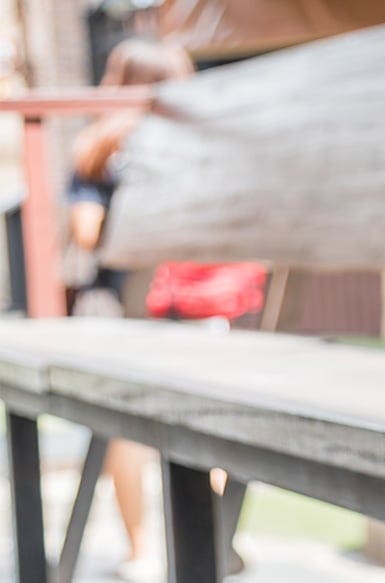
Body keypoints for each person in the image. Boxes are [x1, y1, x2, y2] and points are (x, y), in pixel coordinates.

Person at [68, 38, 192, 579]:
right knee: (199, 419)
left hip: (117, 303)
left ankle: (141, 548)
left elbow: (84, 231)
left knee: (122, 430)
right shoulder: (194, 143)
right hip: (185, 304)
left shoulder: (101, 147)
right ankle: (212, 534)